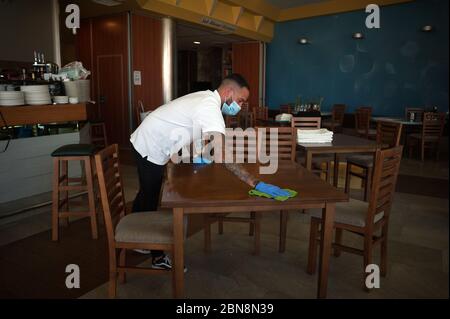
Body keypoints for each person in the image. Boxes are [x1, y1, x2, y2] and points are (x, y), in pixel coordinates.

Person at [130, 73, 289, 270]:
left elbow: (192, 131)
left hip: (147, 139)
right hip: (150, 145)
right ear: (229, 92)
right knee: (151, 197)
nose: (239, 106)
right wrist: (254, 182)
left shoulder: (206, 98)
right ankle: (156, 255)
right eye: (240, 100)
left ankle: (136, 240)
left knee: (146, 192)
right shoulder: (210, 107)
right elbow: (222, 155)